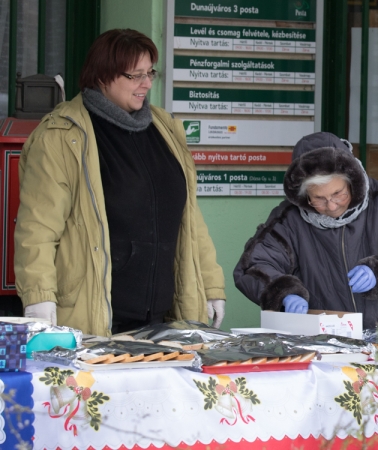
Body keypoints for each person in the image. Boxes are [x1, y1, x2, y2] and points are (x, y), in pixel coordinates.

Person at [14, 29, 226, 336]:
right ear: (103, 76)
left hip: (166, 321)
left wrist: (210, 284)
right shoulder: (61, 136)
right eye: (135, 75)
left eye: (150, 72)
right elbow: (38, 229)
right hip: (98, 319)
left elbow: (190, 220)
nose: (147, 83)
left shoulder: (164, 128)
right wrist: (39, 299)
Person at [234, 132, 378, 328]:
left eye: (338, 194)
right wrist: (283, 292)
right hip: (323, 335)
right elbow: (254, 266)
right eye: (318, 199)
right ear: (304, 196)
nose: (332, 206)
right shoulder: (288, 218)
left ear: (351, 183)